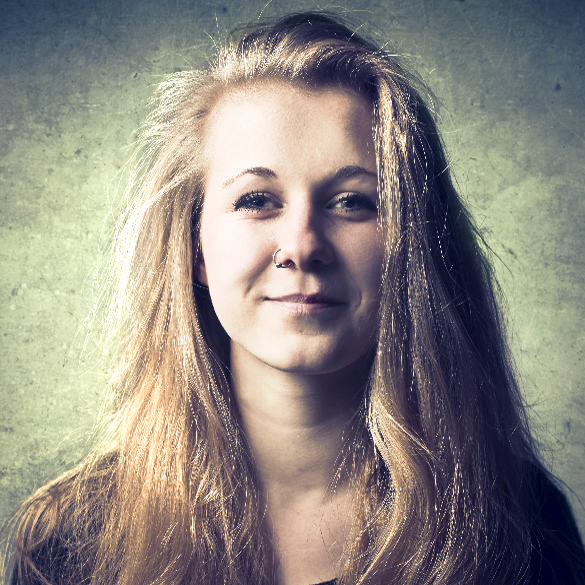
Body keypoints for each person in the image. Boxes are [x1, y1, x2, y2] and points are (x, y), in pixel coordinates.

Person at [3, 11, 584, 585]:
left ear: (410, 249)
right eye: (257, 200)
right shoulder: (65, 543)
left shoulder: (521, 528)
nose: (303, 246)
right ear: (195, 248)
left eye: (353, 202)